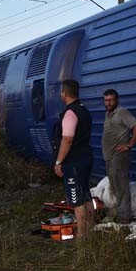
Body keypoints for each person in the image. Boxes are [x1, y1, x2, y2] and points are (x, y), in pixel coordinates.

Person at [53, 79, 95, 238]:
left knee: (77, 200)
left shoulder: (70, 113)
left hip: (74, 162)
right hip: (86, 157)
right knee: (86, 195)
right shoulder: (84, 110)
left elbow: (67, 139)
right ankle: (90, 230)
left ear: (64, 93)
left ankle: (82, 237)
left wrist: (58, 162)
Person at [101, 89, 136, 223]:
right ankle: (117, 211)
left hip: (119, 155)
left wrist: (129, 145)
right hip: (109, 156)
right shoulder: (108, 114)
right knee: (114, 185)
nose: (108, 103)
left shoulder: (122, 112)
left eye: (111, 100)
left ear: (117, 100)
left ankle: (124, 217)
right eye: (106, 100)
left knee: (121, 185)